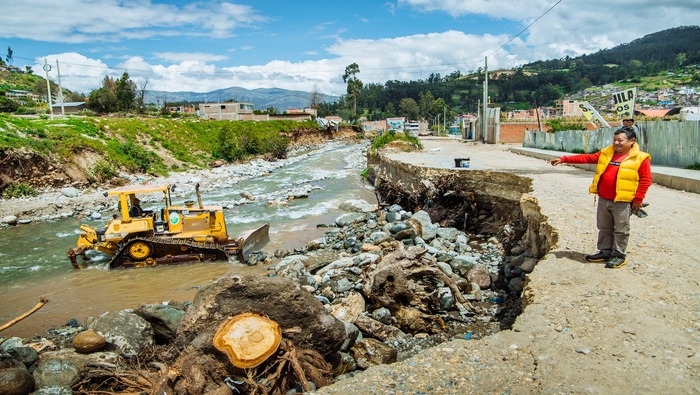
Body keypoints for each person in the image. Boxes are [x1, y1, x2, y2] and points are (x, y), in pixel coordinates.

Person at [549, 126, 651, 269]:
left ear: (631, 141)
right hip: (604, 199)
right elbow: (587, 158)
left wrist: (638, 199)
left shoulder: (641, 158)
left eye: (620, 140)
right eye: (615, 140)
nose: (616, 143)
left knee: (621, 230)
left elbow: (646, 179)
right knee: (604, 227)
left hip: (623, 201)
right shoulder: (607, 154)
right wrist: (564, 159)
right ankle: (605, 252)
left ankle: (618, 256)